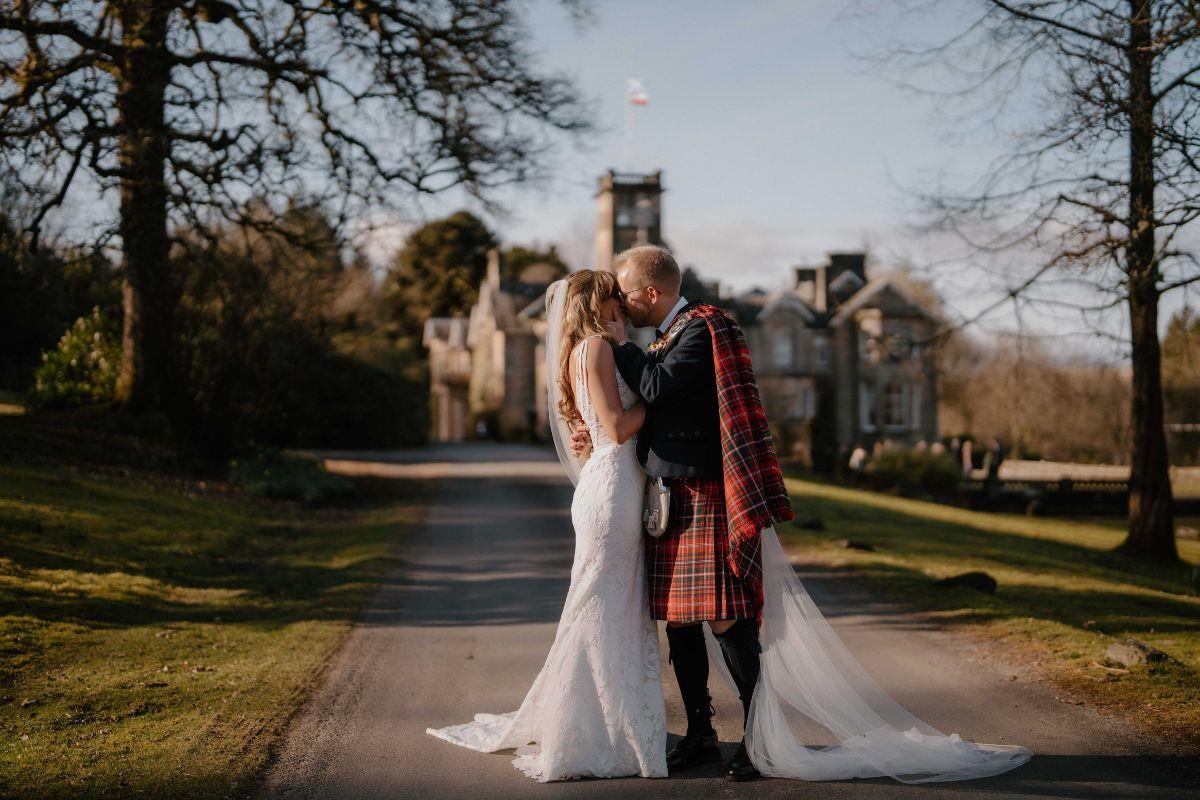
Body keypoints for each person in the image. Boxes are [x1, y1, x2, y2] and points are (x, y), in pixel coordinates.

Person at [570, 245, 1030, 785]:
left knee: (726, 618)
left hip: (705, 490)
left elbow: (656, 387)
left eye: (627, 294)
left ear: (652, 292)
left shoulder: (702, 327)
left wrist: (621, 347)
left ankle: (759, 737)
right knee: (679, 620)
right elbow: (656, 406)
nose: (623, 305)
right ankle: (699, 733)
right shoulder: (668, 335)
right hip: (667, 492)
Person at [426, 270, 667, 781]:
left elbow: (597, 426)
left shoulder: (583, 351)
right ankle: (594, 728)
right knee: (601, 606)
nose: (623, 309)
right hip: (612, 492)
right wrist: (659, 399)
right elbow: (619, 427)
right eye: (615, 301)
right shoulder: (599, 349)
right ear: (598, 305)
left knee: (609, 606)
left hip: (613, 486)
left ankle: (612, 721)